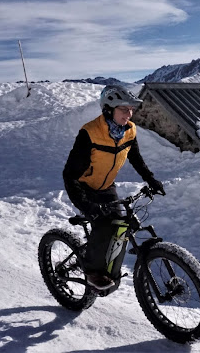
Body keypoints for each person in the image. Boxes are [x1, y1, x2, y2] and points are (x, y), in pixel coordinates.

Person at [63, 85, 164, 290]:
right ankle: (92, 272)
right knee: (103, 225)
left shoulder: (129, 131)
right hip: (84, 187)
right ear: (109, 109)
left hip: (107, 186)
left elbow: (135, 157)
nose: (129, 114)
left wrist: (150, 179)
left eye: (131, 109)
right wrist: (87, 205)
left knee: (119, 226)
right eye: (124, 109)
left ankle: (107, 267)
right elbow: (70, 175)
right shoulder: (90, 133)